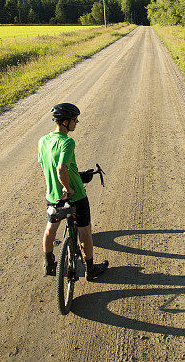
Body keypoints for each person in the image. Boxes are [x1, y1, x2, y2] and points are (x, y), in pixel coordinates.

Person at [38, 103, 108, 280]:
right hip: (75, 195)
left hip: (53, 196)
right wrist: (69, 187)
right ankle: (90, 269)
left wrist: (76, 175)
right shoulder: (67, 141)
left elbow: (47, 165)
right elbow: (61, 168)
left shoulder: (43, 140)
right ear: (66, 122)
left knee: (51, 228)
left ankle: (48, 263)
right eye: (75, 119)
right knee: (85, 230)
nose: (77, 122)